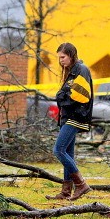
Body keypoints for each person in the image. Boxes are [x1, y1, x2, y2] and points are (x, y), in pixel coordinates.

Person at [45, 42, 94, 201]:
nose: (61, 61)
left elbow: (81, 96)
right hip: (69, 117)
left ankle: (81, 184)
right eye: (59, 58)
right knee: (68, 153)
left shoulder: (81, 70)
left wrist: (61, 96)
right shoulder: (72, 71)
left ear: (71, 55)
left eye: (63, 57)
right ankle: (66, 192)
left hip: (76, 116)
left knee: (58, 150)